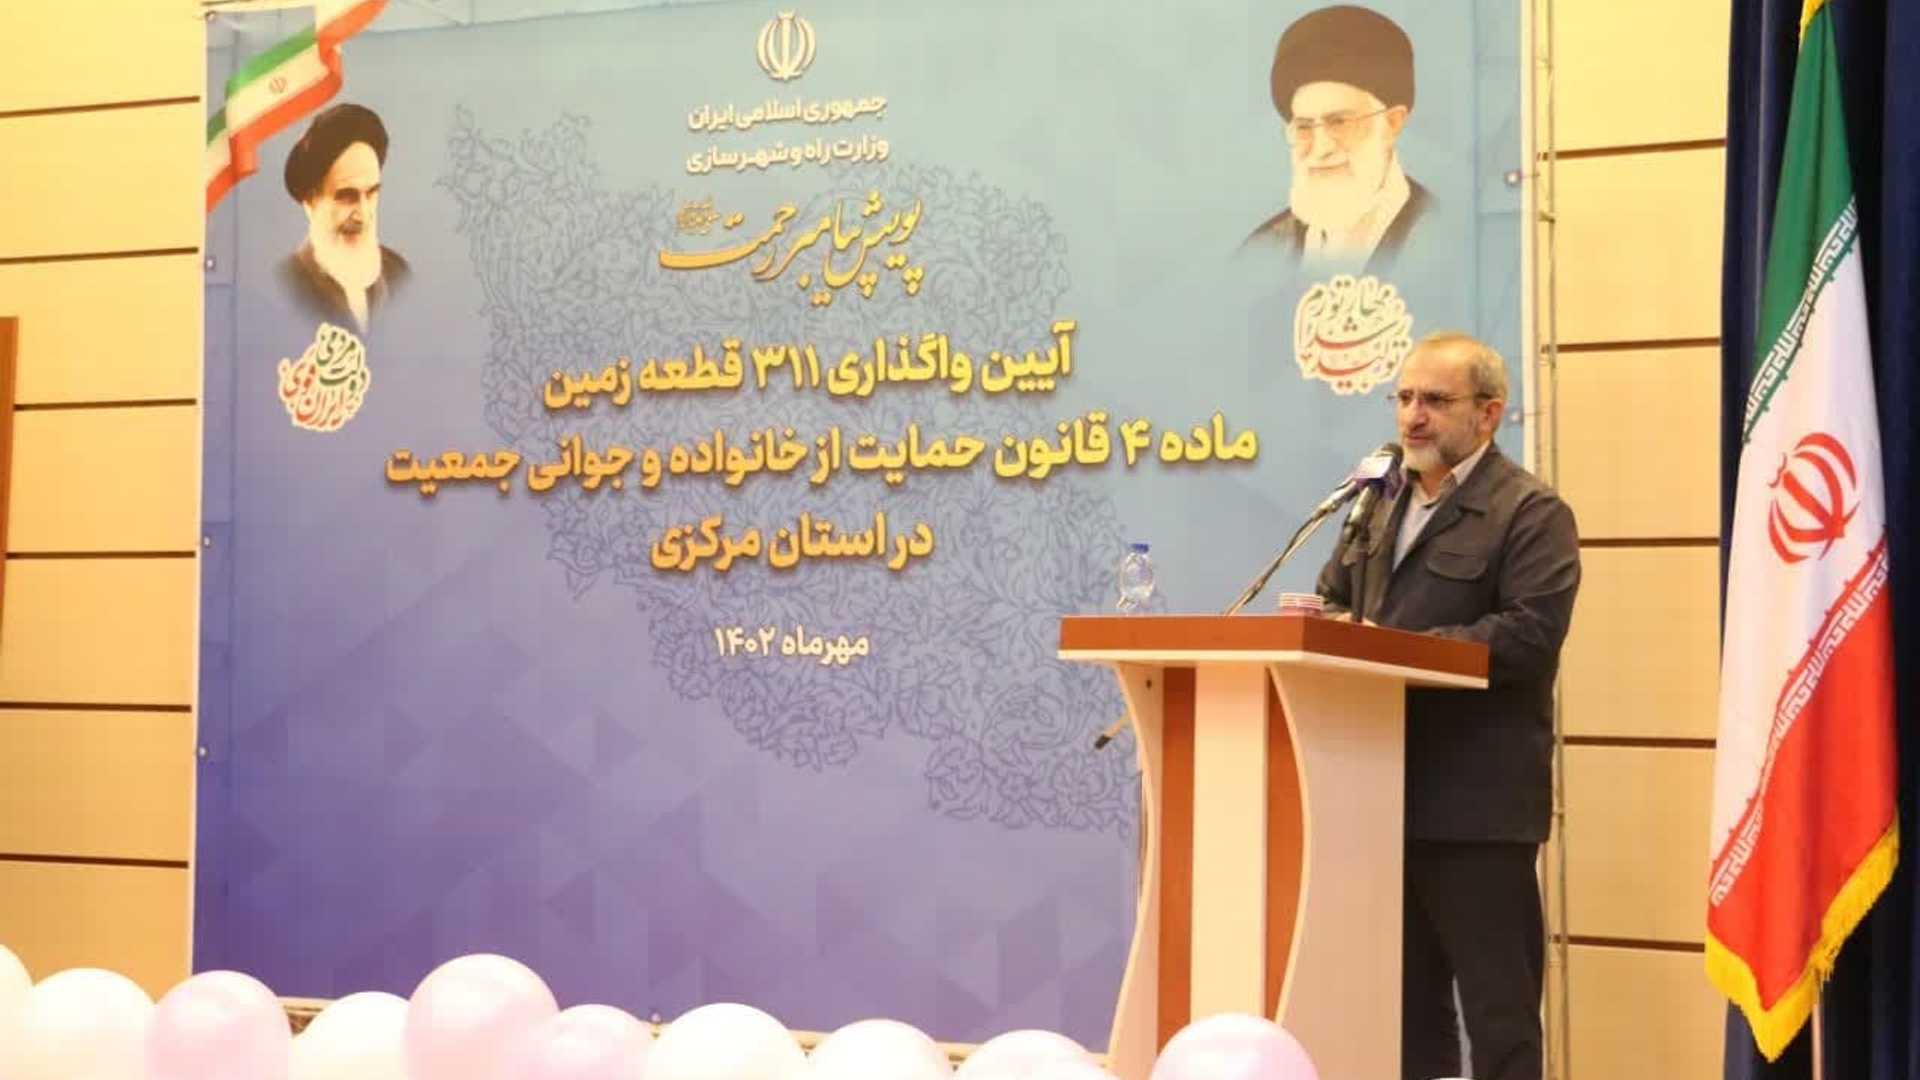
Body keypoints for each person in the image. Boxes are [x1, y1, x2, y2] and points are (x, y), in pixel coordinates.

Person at [1314, 331, 1580, 1080]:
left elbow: (1529, 636)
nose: (1413, 416)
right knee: (1404, 1017)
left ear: (1489, 413)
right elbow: (1335, 600)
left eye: (1435, 400)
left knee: (1500, 1021)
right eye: (1403, 398)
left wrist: (1396, 649)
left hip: (1477, 810)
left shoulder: (1530, 512)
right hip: (1378, 796)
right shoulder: (1377, 504)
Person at [1242, 5, 1433, 275]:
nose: (1321, 148)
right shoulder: (1263, 250)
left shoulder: (1442, 237)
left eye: (1339, 122)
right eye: (1304, 126)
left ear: (1392, 123)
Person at [278, 102, 409, 332]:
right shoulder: (287, 284)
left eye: (371, 193)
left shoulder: (398, 273)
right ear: (311, 202)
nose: (363, 214)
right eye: (347, 196)